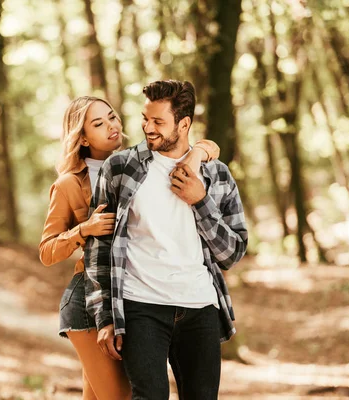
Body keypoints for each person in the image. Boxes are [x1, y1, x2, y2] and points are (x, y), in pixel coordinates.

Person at [39, 95, 220, 400]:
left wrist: (199, 151)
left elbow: (206, 146)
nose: (112, 126)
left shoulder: (137, 162)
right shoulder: (69, 184)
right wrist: (84, 229)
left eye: (112, 117)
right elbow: (47, 251)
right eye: (98, 123)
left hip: (130, 296)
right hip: (90, 299)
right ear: (82, 137)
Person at [84, 80, 248, 400]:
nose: (148, 128)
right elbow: (98, 247)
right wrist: (105, 317)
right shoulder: (120, 168)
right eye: (146, 119)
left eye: (158, 122)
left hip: (199, 306)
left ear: (184, 124)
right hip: (140, 304)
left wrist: (200, 201)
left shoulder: (217, 176)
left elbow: (232, 254)